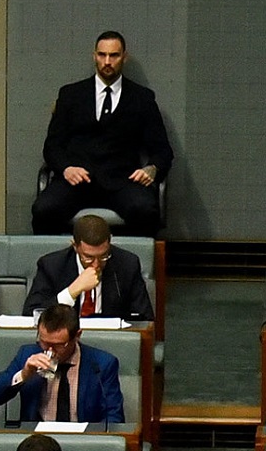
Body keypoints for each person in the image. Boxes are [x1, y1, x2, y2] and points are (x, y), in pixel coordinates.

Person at [33, 30, 174, 236]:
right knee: (44, 210)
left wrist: (152, 169)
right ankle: (56, 266)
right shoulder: (71, 95)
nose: (107, 61)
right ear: (94, 56)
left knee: (145, 210)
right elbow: (52, 145)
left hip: (122, 181)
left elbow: (162, 150)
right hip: (78, 180)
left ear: (124, 57)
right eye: (102, 55)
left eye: (114, 55)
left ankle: (131, 267)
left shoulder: (142, 99)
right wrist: (65, 168)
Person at [0, 304, 125, 424]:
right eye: (44, 342)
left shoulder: (102, 364)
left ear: (77, 336)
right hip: (38, 443)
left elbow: (114, 418)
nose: (50, 350)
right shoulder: (27, 355)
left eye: (58, 345)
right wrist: (23, 374)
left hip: (83, 441)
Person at [23, 215, 155, 320]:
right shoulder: (52, 265)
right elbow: (31, 314)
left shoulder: (127, 264)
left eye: (103, 256)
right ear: (75, 246)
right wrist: (72, 292)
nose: (96, 264)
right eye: (88, 257)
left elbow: (145, 318)